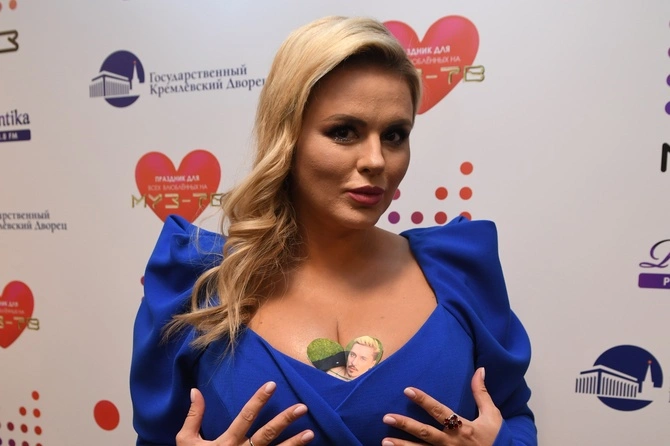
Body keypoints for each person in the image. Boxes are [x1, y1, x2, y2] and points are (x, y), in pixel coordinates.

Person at [130, 15, 537, 446]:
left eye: (395, 135)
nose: (376, 160)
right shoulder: (199, 285)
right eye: (344, 132)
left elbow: (512, 417)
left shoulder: (458, 273)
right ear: (287, 137)